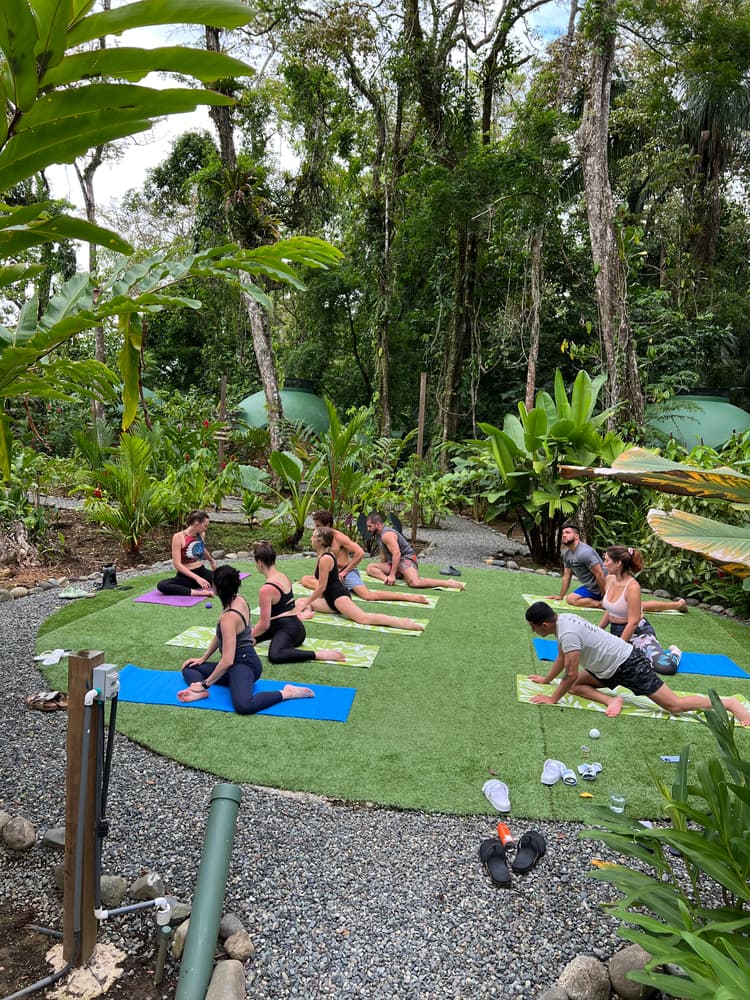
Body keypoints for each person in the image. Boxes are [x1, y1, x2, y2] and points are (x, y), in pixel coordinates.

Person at [525, 601, 750, 724]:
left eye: (533, 626)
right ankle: (611, 701)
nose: (532, 630)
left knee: (674, 706)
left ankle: (728, 703)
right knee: (573, 687)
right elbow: (563, 657)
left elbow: (571, 673)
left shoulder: (567, 632)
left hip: (628, 663)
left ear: (544, 625)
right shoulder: (562, 621)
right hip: (606, 667)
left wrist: (552, 698)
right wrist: (546, 680)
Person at [178, 565, 313, 713]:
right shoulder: (238, 599)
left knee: (244, 705)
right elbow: (221, 635)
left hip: (244, 664)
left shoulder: (229, 618)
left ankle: (287, 693)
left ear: (216, 588)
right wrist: (202, 658)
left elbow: (228, 660)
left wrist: (205, 684)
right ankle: (200, 692)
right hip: (235, 664)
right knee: (189, 668)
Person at [297, 526, 425, 631]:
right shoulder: (322, 556)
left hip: (338, 598)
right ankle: (304, 613)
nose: (311, 539)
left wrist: (309, 602)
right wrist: (308, 603)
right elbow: (319, 582)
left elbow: (321, 587)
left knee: (364, 619)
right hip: (329, 599)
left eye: (313, 537)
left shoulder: (326, 558)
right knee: (299, 601)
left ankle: (402, 622)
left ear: (320, 541)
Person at [547, 523, 687, 613]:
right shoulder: (566, 554)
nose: (564, 535)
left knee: (637, 607)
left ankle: (677, 605)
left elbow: (600, 574)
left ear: (576, 536)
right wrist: (560, 595)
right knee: (570, 599)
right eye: (563, 533)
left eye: (567, 532)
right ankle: (601, 605)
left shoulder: (585, 552)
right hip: (591, 587)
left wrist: (605, 596)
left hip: (606, 584)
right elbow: (567, 576)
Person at [299, 510, 430, 606]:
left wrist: (345, 571)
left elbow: (360, 553)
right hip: (332, 576)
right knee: (305, 579)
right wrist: (317, 577)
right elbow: (320, 559)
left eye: (318, 525)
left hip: (345, 573)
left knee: (368, 596)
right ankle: (335, 589)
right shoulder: (321, 539)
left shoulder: (339, 537)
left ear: (327, 525)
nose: (315, 529)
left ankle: (410, 597)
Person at [251, 541, 345, 664]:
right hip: (287, 626)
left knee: (275, 654)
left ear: (260, 563)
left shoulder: (266, 589)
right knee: (245, 637)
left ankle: (318, 654)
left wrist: (250, 635)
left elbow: (264, 624)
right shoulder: (282, 576)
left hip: (289, 630)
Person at [599, 545, 681, 675]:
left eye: (607, 560)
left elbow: (633, 622)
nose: (604, 564)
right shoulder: (609, 579)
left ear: (619, 563)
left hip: (638, 634)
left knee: (665, 667)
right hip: (616, 632)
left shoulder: (632, 587)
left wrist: (619, 647)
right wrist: (597, 631)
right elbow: (610, 610)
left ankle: (675, 653)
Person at [364, 511, 465, 591]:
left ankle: (448, 583)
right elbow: (384, 553)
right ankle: (387, 579)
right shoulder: (378, 535)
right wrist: (386, 573)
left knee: (415, 583)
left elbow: (397, 554)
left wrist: (391, 574)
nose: (368, 529)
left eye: (370, 526)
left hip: (406, 559)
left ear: (377, 524)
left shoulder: (387, 535)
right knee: (370, 568)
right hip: (394, 562)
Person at [157, 510, 216, 597]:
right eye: (205, 525)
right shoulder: (178, 537)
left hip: (202, 572)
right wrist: (197, 578)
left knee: (228, 576)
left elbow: (201, 548)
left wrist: (211, 561)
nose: (206, 528)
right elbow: (177, 564)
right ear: (196, 523)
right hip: (186, 576)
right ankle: (199, 593)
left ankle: (202, 585)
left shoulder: (201, 534)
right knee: (162, 585)